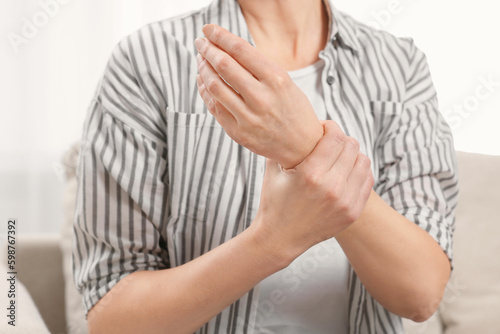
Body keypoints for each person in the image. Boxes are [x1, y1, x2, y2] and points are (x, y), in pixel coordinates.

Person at [73, 0, 459, 333]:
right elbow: (112, 320)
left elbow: (420, 293)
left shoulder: (400, 66)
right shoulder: (146, 61)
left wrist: (303, 142)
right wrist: (271, 242)